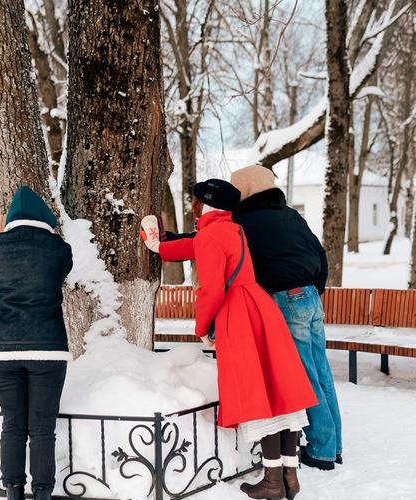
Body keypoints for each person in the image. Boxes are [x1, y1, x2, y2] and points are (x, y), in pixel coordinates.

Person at [143, 165, 342, 471]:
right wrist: (314, 290)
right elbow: (320, 254)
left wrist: (167, 241)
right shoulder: (291, 216)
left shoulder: (244, 220)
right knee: (320, 372)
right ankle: (332, 445)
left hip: (283, 300)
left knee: (301, 377)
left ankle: (321, 451)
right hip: (310, 298)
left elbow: (208, 241)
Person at [0, 186, 73, 500]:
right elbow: (63, 271)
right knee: (42, 430)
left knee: (12, 427)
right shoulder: (59, 249)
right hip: (48, 348)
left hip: (3, 349)